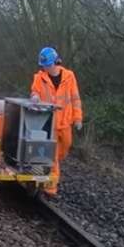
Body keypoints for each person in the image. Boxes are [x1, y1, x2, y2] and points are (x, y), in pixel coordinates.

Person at [30, 46, 83, 196]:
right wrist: (34, 96)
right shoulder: (39, 78)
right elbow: (35, 91)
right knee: (52, 155)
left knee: (65, 148)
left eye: (48, 65)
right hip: (49, 122)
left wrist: (78, 118)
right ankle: (50, 188)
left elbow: (75, 98)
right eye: (44, 65)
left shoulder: (69, 76)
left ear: (55, 62)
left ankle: (49, 167)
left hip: (65, 122)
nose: (46, 68)